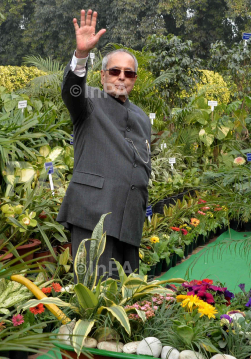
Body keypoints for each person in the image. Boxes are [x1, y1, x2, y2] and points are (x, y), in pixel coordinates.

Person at [56, 9, 152, 281]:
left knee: (127, 294)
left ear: (134, 79)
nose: (122, 77)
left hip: (129, 219)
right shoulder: (88, 102)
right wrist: (82, 54)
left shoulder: (142, 117)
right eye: (115, 71)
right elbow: (71, 89)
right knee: (93, 293)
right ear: (102, 75)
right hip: (93, 215)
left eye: (129, 73)